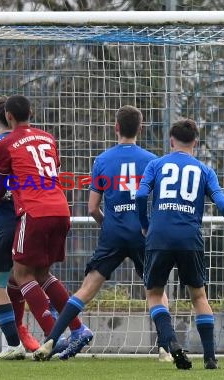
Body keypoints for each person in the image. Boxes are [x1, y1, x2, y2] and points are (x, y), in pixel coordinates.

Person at [33, 105, 171, 361]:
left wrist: (108, 225)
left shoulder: (102, 160)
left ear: (116, 127)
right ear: (140, 128)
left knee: (86, 290)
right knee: (156, 291)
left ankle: (50, 341)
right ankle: (165, 348)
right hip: (143, 233)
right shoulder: (153, 161)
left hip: (113, 234)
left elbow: (93, 208)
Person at [135, 118, 224, 370]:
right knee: (199, 295)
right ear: (196, 143)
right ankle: (210, 357)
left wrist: (145, 223)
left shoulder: (156, 165)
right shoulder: (204, 170)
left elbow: (139, 194)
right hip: (190, 237)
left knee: (155, 293)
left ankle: (170, 342)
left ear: (171, 141)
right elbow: (223, 204)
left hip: (159, 235)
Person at [0, 95, 89, 358]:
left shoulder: (6, 143)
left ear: (8, 116)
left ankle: (53, 336)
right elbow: (52, 171)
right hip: (60, 208)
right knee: (43, 274)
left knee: (22, 274)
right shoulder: (48, 138)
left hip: (34, 212)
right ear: (31, 113)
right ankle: (79, 329)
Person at [0, 96, 40, 360]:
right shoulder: (35, 141)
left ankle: (13, 343)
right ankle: (55, 332)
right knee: (31, 277)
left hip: (4, 220)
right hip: (32, 218)